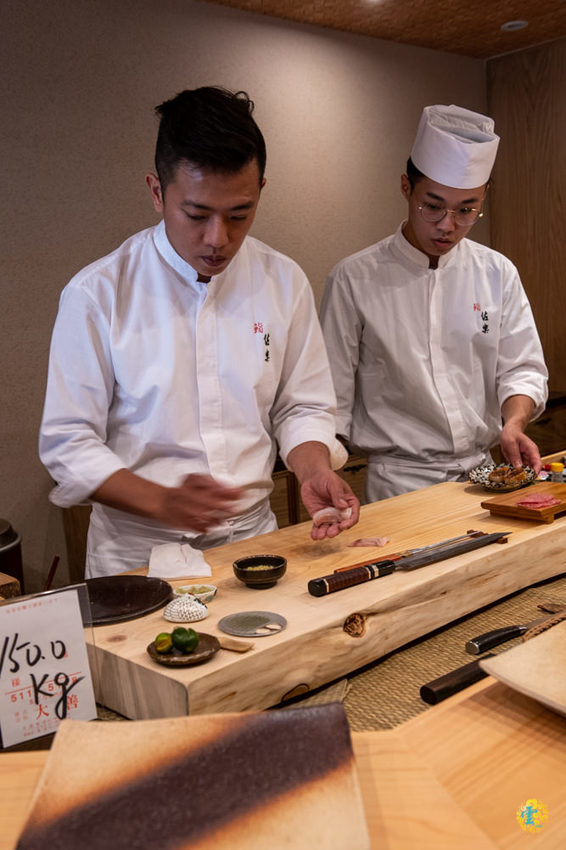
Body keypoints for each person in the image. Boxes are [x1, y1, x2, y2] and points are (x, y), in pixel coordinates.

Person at [39, 86, 359, 577]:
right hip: (137, 555)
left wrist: (313, 468)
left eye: (239, 214)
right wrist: (159, 500)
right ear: (156, 192)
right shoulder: (98, 293)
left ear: (261, 190)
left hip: (254, 539)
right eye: (196, 214)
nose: (218, 238)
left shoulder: (282, 280)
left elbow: (301, 405)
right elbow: (67, 442)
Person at [320, 104, 548, 502]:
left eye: (467, 210)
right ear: (406, 188)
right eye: (433, 206)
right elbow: (330, 400)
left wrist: (513, 423)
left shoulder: (496, 272)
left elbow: (522, 369)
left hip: (484, 476)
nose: (447, 225)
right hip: (398, 484)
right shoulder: (353, 279)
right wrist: (323, 469)